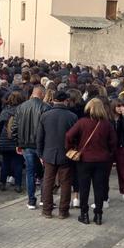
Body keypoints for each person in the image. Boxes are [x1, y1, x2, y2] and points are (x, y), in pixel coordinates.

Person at [65, 98, 116, 224]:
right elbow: (113, 142)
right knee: (99, 188)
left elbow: (68, 136)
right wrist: (109, 154)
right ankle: (98, 215)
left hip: (85, 159)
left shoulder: (82, 122)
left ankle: (84, 214)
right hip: (102, 160)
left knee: (84, 187)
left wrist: (71, 148)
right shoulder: (106, 124)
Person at [37, 89, 78, 218]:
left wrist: (40, 154)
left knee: (48, 182)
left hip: (48, 154)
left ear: (53, 100)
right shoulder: (72, 117)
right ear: (66, 101)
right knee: (66, 183)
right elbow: (76, 138)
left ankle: (47, 210)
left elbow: (39, 137)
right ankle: (63, 211)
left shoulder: (45, 115)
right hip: (66, 154)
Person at [11, 85, 50, 209]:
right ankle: (44, 199)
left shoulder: (21, 107)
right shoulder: (46, 107)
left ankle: (31, 200)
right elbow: (48, 129)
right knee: (44, 173)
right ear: (42, 94)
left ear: (33, 93)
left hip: (26, 145)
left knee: (30, 172)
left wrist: (18, 143)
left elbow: (14, 127)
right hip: (41, 146)